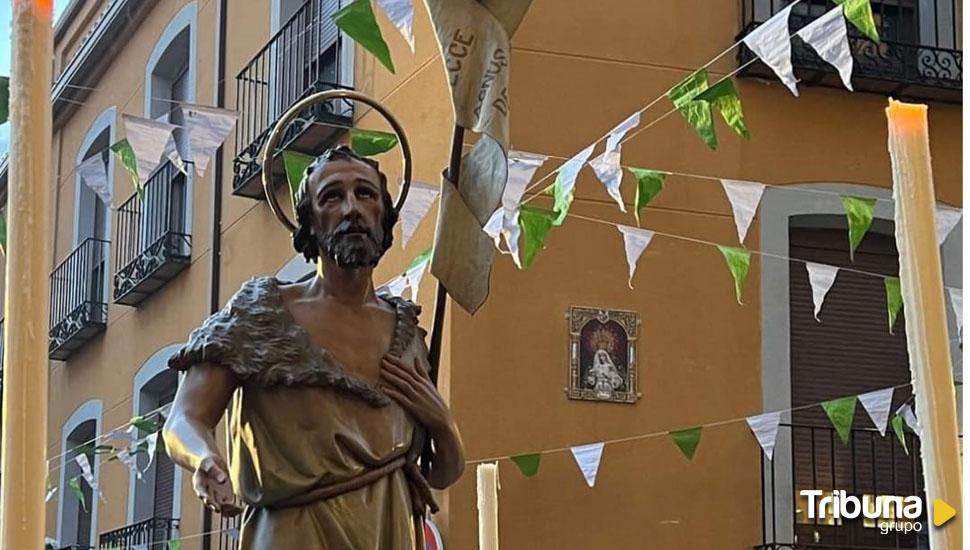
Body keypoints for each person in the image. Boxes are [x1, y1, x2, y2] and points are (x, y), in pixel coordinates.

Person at [162, 146, 465, 549]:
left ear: (384, 216)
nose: (351, 208)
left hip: (388, 532)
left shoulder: (405, 332)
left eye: (365, 194)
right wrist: (204, 459)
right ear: (309, 220)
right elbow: (183, 419)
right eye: (332, 196)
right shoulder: (262, 313)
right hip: (294, 535)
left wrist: (443, 424)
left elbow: (437, 475)